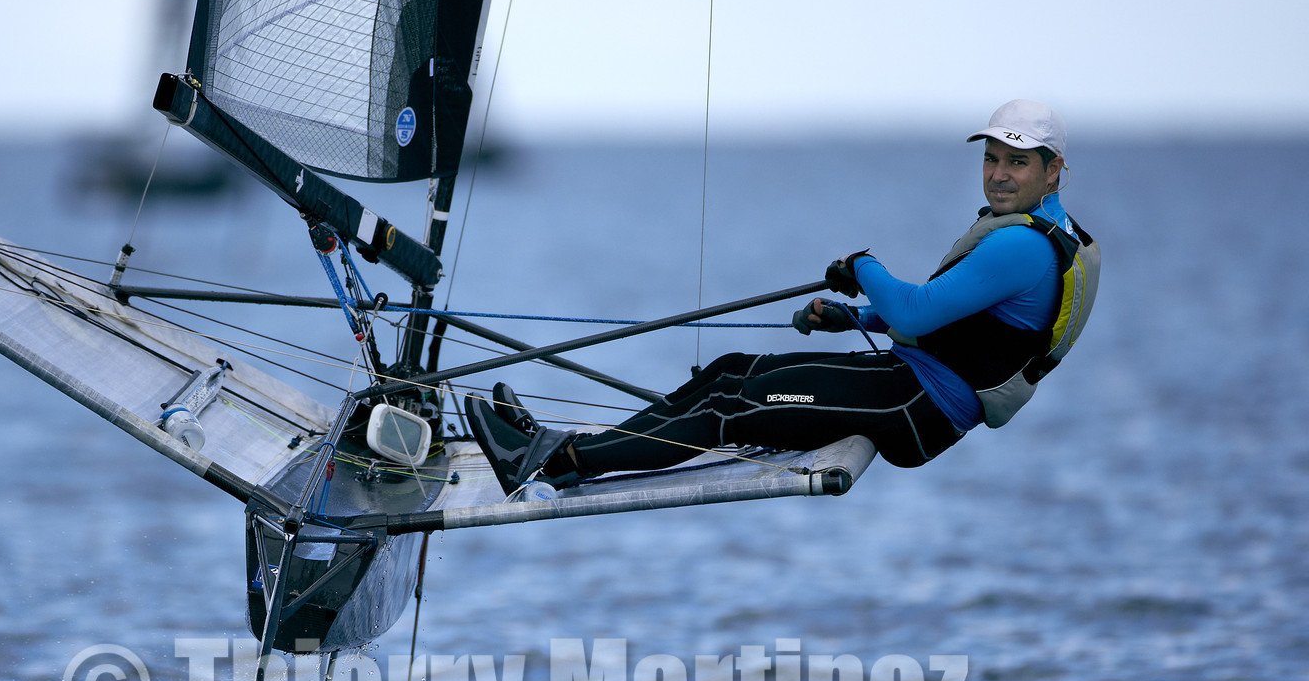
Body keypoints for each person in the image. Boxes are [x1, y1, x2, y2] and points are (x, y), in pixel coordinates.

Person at [465, 99, 1100, 494]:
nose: (998, 174)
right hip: (914, 380)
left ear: (1054, 171)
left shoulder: (1024, 246)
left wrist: (861, 265)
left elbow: (914, 312)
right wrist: (854, 317)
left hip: (919, 405)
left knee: (726, 414)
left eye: (1017, 163)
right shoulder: (1037, 235)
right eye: (992, 159)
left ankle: (548, 463)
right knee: (727, 375)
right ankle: (559, 449)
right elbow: (955, 323)